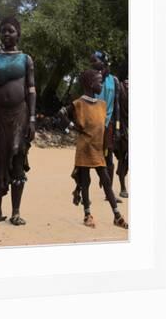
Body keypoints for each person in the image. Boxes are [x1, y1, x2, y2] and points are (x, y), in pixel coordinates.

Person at [0, 17, 36, 228]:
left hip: (19, 118)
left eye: (10, 31)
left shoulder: (26, 60)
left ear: (18, 34)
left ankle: (16, 212)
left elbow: (31, 91)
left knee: (18, 161)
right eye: (3, 31)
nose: (6, 34)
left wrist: (31, 120)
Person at [58, 69, 128, 229]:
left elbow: (101, 128)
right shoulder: (78, 104)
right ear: (90, 84)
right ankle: (87, 214)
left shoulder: (102, 105)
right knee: (85, 182)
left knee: (106, 182)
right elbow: (61, 113)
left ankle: (117, 215)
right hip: (84, 149)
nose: (101, 84)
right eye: (99, 81)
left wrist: (106, 146)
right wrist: (73, 126)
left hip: (98, 149)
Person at [90, 50, 122, 201]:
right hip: (92, 123)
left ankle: (109, 194)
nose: (93, 64)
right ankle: (81, 190)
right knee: (86, 158)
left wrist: (116, 128)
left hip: (108, 123)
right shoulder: (91, 78)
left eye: (95, 60)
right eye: (92, 62)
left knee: (108, 159)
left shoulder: (114, 80)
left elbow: (116, 106)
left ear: (103, 62)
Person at [114, 61, 129, 198]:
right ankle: (122, 186)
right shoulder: (120, 87)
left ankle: (121, 173)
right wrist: (117, 127)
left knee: (126, 160)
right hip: (122, 127)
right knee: (122, 158)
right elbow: (117, 108)